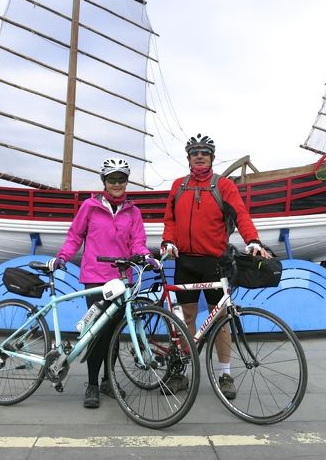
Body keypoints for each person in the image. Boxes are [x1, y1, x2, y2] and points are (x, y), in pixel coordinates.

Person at [160, 134, 270, 399]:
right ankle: (182, 373)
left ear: (211, 157)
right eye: (195, 152)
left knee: (220, 319)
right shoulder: (178, 186)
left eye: (205, 152)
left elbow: (241, 214)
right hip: (184, 260)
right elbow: (170, 220)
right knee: (186, 318)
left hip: (214, 262)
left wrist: (253, 239)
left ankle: (225, 373)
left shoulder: (224, 186)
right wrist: (168, 241)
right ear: (188, 158)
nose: (200, 156)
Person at [47, 158, 159, 409]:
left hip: (121, 280)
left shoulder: (134, 212)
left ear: (127, 182)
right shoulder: (90, 206)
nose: (117, 184)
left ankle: (109, 381)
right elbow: (74, 236)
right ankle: (92, 385)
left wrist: (147, 256)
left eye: (121, 179)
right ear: (104, 182)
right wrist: (63, 256)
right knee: (97, 333)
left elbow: (137, 243)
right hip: (95, 279)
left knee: (114, 334)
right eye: (112, 179)